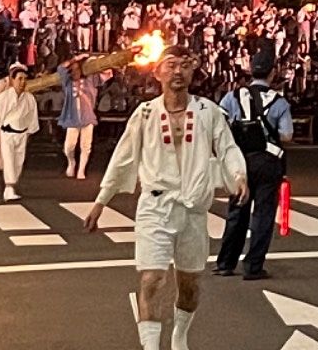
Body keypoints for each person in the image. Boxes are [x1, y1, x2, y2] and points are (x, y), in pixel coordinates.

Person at [85, 46, 248, 350]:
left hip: (193, 211)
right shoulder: (146, 113)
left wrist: (238, 175)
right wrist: (101, 200)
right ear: (157, 72)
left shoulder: (207, 112)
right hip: (155, 207)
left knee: (189, 285)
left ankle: (179, 336)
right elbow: (123, 157)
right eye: (170, 65)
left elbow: (226, 148)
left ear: (192, 71)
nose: (177, 72)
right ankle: (150, 346)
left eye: (184, 66)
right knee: (152, 279)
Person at [216, 49, 293, 281]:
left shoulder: (233, 96)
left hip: (239, 159)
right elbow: (286, 135)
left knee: (237, 211)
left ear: (250, 70)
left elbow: (219, 123)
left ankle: (226, 263)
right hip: (268, 160)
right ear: (272, 73)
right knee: (263, 214)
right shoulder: (280, 102)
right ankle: (253, 266)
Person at [0, 64, 39, 202]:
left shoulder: (29, 98)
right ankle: (9, 187)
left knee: (18, 161)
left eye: (24, 79)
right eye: (19, 79)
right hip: (7, 133)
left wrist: (30, 132)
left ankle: (12, 186)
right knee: (8, 160)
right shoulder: (4, 97)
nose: (22, 82)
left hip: (22, 133)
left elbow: (32, 117)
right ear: (12, 79)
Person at [59, 54, 111, 180]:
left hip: (87, 117)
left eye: (77, 69)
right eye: (73, 69)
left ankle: (81, 170)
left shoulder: (90, 80)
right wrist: (75, 59)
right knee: (69, 147)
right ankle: (71, 163)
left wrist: (95, 62)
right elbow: (61, 68)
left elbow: (107, 72)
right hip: (72, 118)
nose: (75, 71)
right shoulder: (68, 82)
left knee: (86, 146)